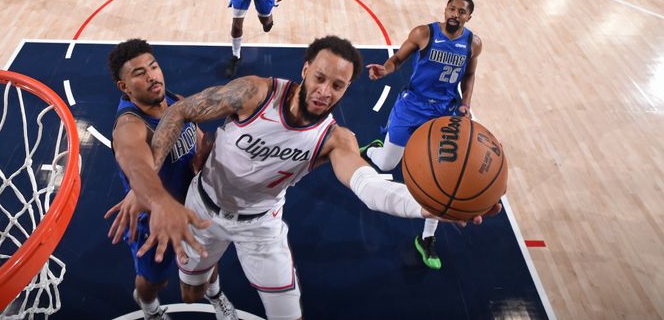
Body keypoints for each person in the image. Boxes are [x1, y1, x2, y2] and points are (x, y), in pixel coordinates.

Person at [113, 35, 500, 320]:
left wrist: (427, 206)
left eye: (337, 86)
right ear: (305, 70)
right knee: (190, 291)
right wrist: (145, 183)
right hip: (202, 209)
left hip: (261, 226)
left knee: (287, 314)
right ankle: (213, 292)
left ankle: (218, 294)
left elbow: (369, 187)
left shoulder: (335, 139)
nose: (324, 92)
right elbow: (181, 113)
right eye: (319, 78)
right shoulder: (254, 93)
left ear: (347, 88)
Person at [103, 39, 238, 320]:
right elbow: (136, 164)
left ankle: (215, 295)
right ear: (124, 86)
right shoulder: (129, 126)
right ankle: (149, 306)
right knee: (155, 281)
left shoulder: (173, 101)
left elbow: (196, 137)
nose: (152, 76)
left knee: (209, 260)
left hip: (195, 204)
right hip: (153, 219)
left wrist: (206, 154)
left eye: (153, 66)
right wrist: (158, 201)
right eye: (139, 73)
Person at [360, 0, 482, 270]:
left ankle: (427, 237)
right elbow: (398, 59)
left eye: (461, 12)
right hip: (412, 106)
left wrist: (465, 103)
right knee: (387, 163)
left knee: (441, 177)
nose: (455, 14)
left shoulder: (473, 44)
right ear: (445, 9)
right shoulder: (424, 33)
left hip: (443, 113)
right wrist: (384, 69)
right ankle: (374, 149)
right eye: (452, 8)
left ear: (468, 17)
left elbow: (470, 74)